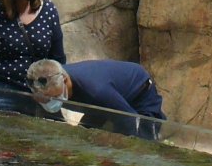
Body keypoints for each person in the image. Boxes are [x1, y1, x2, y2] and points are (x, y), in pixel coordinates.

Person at [27, 58, 166, 140]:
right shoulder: (46, 81)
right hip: (98, 101)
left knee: (143, 139)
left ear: (65, 79)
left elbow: (130, 120)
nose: (52, 103)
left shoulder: (97, 90)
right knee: (84, 138)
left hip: (139, 92)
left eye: (56, 97)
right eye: (46, 100)